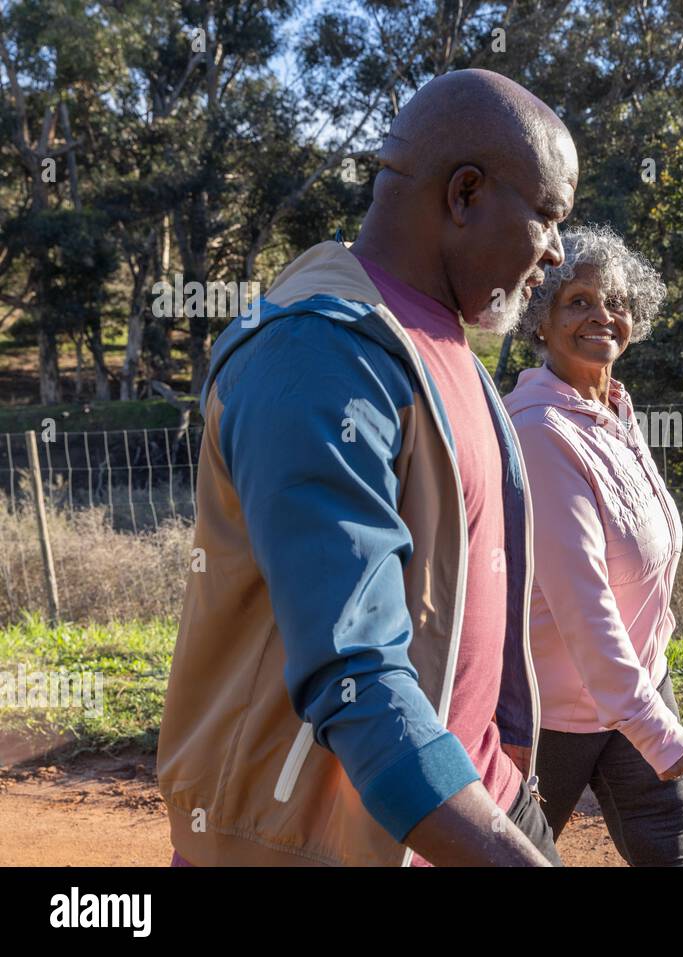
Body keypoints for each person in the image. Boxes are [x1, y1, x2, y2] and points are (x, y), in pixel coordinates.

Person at [156, 69, 578, 866]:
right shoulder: (316, 354)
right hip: (333, 845)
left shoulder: (441, 339)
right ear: (464, 194)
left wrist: (509, 784)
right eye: (549, 217)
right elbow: (357, 674)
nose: (556, 251)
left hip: (473, 795)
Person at [502, 224, 683, 867]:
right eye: (578, 301)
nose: (601, 315)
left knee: (667, 837)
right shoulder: (541, 431)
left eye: (614, 300)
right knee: (515, 855)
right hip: (553, 711)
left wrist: (647, 697)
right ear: (540, 321)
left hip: (637, 684)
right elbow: (581, 601)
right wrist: (652, 725)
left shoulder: (615, 409)